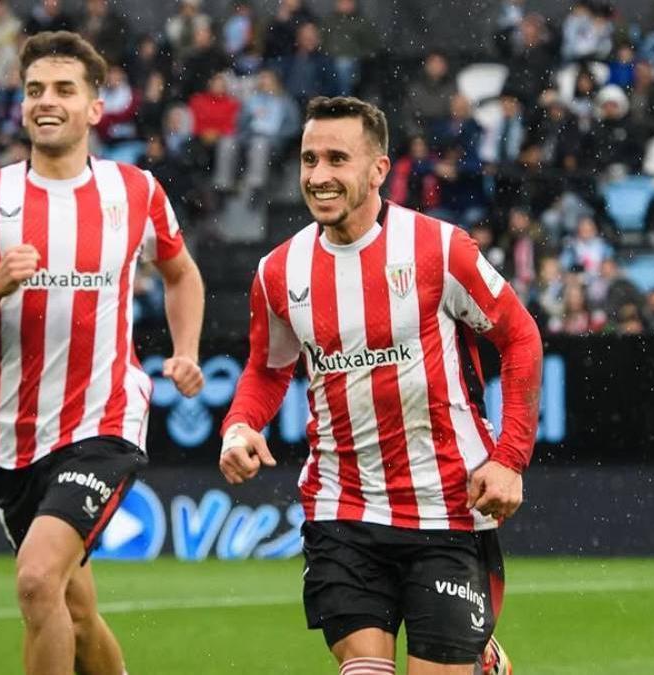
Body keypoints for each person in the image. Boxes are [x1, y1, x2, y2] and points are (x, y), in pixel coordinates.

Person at [218, 96, 539, 675]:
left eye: (337, 159)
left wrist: (510, 458)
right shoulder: (279, 271)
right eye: (309, 159)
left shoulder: (440, 249)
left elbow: (520, 339)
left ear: (378, 169)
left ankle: (476, 655)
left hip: (448, 507)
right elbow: (268, 368)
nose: (319, 176)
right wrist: (240, 425)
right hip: (342, 507)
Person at [0, 31, 205, 675]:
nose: (46, 102)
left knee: (34, 580)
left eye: (64, 90)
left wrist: (185, 349)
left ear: (95, 107)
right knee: (71, 611)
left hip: (102, 424)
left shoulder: (134, 191)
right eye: (34, 91)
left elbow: (181, 272)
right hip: (14, 438)